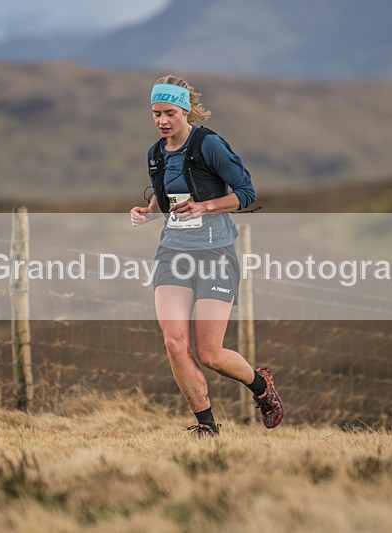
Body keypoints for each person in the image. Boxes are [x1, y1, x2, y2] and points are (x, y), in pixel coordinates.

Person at [130, 75, 283, 436]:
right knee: (173, 342)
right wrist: (148, 212)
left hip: (215, 254)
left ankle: (260, 386)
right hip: (173, 254)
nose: (163, 121)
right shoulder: (155, 153)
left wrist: (205, 207)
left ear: (186, 111)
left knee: (210, 354)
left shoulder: (209, 144)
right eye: (156, 114)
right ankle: (206, 426)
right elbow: (164, 199)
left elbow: (246, 192)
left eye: (169, 113)